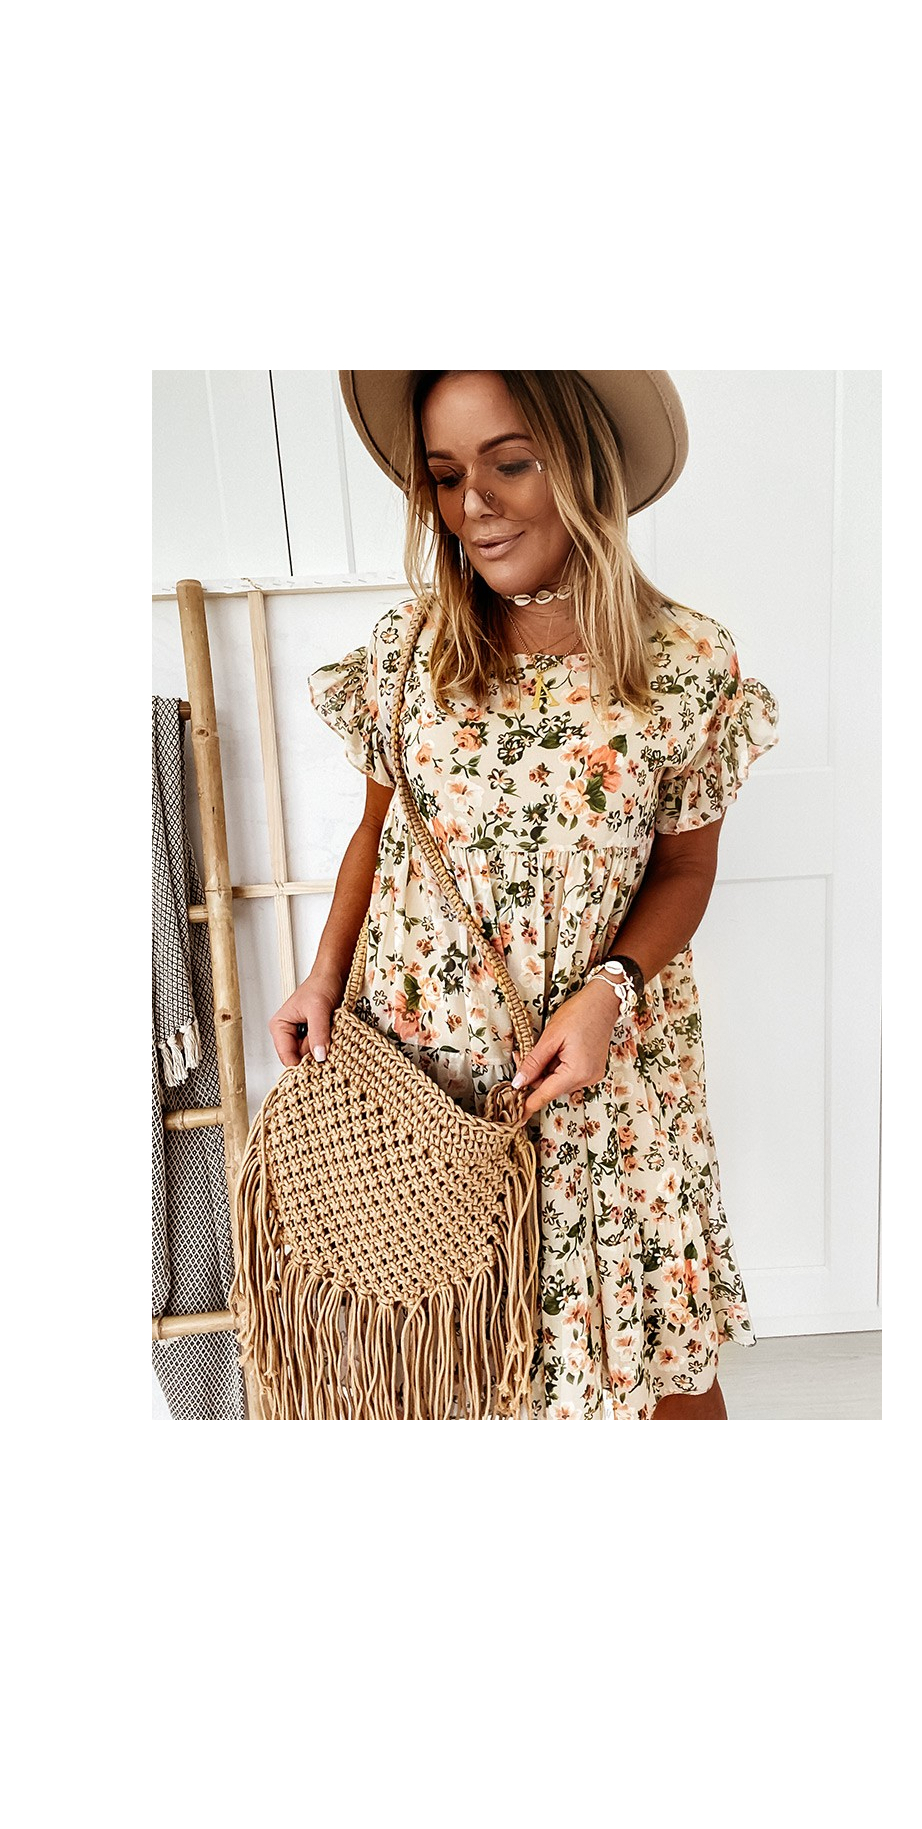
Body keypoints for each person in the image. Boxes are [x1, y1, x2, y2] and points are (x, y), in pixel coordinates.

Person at [270, 370, 779, 1420]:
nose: (475, 504)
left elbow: (685, 869)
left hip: (602, 1081)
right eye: (446, 474)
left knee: (652, 1371)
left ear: (583, 465)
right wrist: (321, 977)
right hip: (428, 1083)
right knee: (455, 1368)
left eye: (510, 463)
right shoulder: (409, 651)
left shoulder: (686, 663)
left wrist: (610, 990)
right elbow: (377, 833)